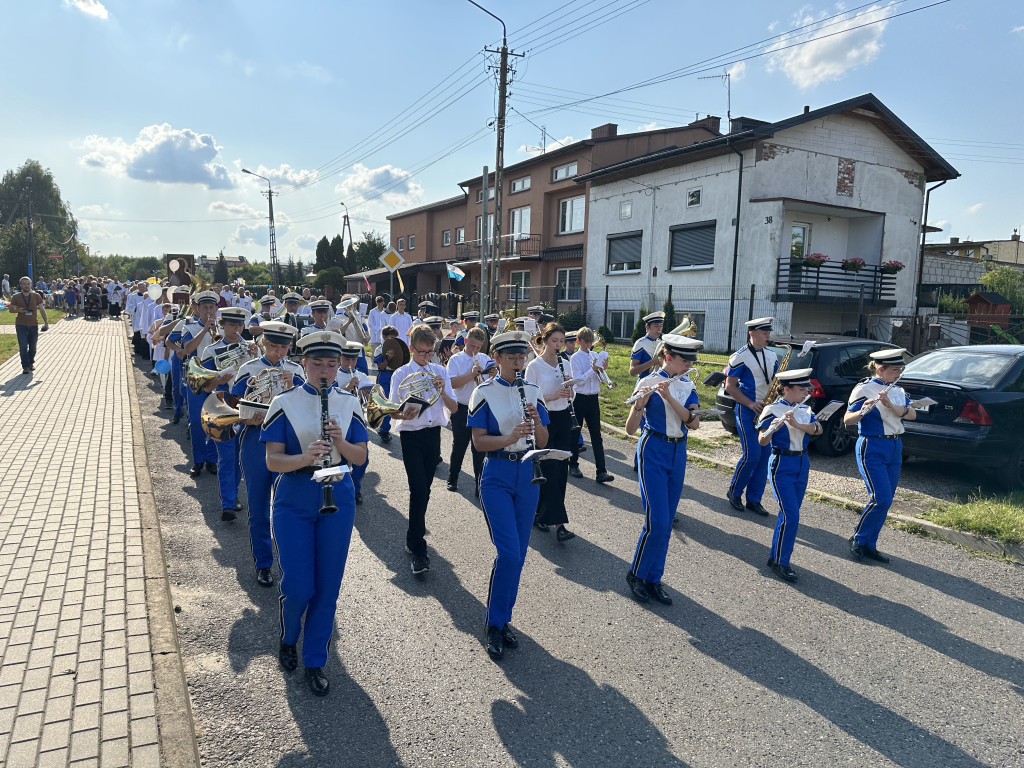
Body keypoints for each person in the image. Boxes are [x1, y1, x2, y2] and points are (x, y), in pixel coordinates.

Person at [261, 330, 368, 697]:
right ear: (303, 363)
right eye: (317, 363)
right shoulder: (284, 401)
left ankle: (314, 659)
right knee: (300, 585)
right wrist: (305, 457)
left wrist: (339, 442)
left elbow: (360, 457)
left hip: (337, 491)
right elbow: (272, 459)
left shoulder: (349, 402)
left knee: (327, 587)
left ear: (340, 365)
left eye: (332, 364)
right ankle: (289, 636)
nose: (325, 370)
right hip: (295, 494)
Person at [469, 330, 550, 661]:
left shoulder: (532, 390)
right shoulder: (483, 392)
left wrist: (534, 421)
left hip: (528, 474)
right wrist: (509, 437)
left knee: (519, 554)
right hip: (497, 476)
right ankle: (493, 623)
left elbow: (544, 439)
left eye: (521, 358)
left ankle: (503, 620)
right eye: (511, 358)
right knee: (509, 554)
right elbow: (479, 442)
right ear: (498, 358)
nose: (518, 363)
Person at [623, 334, 703, 606]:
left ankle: (654, 579)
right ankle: (636, 574)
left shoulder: (687, 384)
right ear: (668, 357)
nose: (687, 365)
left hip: (678, 450)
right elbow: (630, 429)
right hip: (653, 449)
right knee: (656, 520)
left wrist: (669, 396)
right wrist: (639, 405)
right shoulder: (646, 382)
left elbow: (693, 423)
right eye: (683, 360)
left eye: (689, 361)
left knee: (666, 522)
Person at [231, 321, 304, 587]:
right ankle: (263, 563)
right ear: (263, 343)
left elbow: (309, 409)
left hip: (287, 443)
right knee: (258, 507)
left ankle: (289, 562)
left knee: (288, 506)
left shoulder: (296, 371)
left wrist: (294, 385)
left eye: (283, 347)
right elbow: (234, 407)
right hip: (255, 440)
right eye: (273, 346)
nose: (278, 352)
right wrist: (249, 417)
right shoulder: (248, 369)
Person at [388, 325, 458, 575]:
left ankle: (412, 537)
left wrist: (441, 390)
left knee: (424, 490)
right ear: (411, 348)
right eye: (421, 352)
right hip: (410, 435)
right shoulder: (401, 374)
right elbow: (392, 409)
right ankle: (419, 550)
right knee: (417, 488)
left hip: (433, 436)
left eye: (430, 353)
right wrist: (401, 412)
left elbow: (454, 408)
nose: (426, 357)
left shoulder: (440, 371)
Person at [844, 348, 915, 564]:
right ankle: (858, 537)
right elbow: (848, 420)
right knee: (880, 497)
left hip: (895, 446)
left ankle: (869, 544)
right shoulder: (864, 388)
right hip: (872, 445)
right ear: (880, 369)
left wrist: (891, 406)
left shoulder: (898, 390)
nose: (899, 373)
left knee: (887, 500)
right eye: (895, 370)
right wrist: (864, 410)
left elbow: (912, 415)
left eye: (900, 369)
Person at [757, 369, 820, 583]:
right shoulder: (772, 409)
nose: (805, 393)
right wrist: (774, 427)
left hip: (802, 463)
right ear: (787, 389)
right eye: (801, 389)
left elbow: (817, 429)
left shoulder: (805, 408)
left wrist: (797, 424)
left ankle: (775, 556)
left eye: (806, 389)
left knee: (789, 515)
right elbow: (762, 441)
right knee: (791, 516)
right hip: (782, 464)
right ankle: (781, 563)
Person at [200, 307, 255, 519]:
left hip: (243, 406)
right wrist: (216, 380)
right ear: (222, 326)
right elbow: (204, 387)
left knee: (238, 456)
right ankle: (228, 503)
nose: (236, 329)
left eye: (240, 325)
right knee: (226, 456)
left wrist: (256, 357)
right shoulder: (211, 351)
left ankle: (232, 494)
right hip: (221, 405)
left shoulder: (250, 348)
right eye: (232, 325)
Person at [525, 322, 577, 543]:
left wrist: (570, 390)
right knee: (550, 468)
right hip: (543, 421)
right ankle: (560, 525)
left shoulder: (565, 363)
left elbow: (571, 396)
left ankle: (541, 514)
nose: (558, 345)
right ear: (544, 341)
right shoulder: (534, 367)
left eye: (561, 341)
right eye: (554, 341)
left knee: (561, 469)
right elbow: (528, 402)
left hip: (564, 418)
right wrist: (553, 396)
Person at [725, 318, 779, 516]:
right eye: (764, 333)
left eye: (768, 333)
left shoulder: (772, 355)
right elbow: (730, 387)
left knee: (765, 457)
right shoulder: (738, 357)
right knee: (752, 455)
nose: (768, 336)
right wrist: (749, 403)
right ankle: (734, 492)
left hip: (766, 410)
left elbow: (775, 381)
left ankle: (754, 499)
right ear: (753, 333)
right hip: (747, 409)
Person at [180, 291, 224, 477]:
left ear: (216, 308)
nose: (208, 310)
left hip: (217, 378)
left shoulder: (223, 327)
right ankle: (198, 461)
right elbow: (187, 349)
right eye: (204, 307)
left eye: (211, 307)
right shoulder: (188, 326)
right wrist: (205, 329)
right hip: (197, 378)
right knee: (198, 423)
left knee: (215, 420)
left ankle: (212, 459)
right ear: (197, 309)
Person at [446, 326, 493, 494]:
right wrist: (472, 374)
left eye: (478, 347)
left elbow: (490, 383)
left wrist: (491, 375)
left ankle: (479, 484)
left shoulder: (485, 359)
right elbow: (451, 384)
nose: (474, 350)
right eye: (472, 346)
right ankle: (452, 478)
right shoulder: (456, 359)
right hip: (461, 407)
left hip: (480, 408)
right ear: (465, 341)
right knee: (459, 445)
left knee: (478, 448)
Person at [569, 328, 614, 484]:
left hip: (593, 399)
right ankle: (573, 465)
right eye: (585, 342)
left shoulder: (594, 355)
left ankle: (601, 471)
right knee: (575, 433)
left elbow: (601, 380)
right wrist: (592, 369)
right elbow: (578, 380)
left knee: (597, 436)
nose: (589, 345)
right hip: (579, 398)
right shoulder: (575, 358)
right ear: (578, 341)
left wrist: (603, 371)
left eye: (590, 342)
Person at [335, 340, 373, 504]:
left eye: (353, 359)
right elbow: (332, 397)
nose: (350, 363)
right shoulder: (334, 374)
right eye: (346, 359)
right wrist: (349, 387)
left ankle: (355, 486)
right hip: (340, 420)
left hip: (357, 420)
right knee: (339, 458)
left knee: (363, 459)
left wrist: (368, 394)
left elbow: (368, 400)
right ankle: (340, 488)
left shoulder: (362, 375)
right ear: (340, 358)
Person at [7, 277, 49, 374]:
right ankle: (25, 366)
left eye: (28, 284)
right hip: (21, 325)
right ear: (21, 285)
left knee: (33, 347)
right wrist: (18, 310)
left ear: (31, 284)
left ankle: (31, 362)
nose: (26, 285)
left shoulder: (36, 296)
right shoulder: (16, 296)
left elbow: (42, 309)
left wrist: (46, 323)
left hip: (33, 324)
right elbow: (11, 309)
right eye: (24, 284)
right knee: (23, 346)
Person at [371, 325, 402, 443]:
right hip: (384, 376)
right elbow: (382, 367)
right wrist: (388, 358)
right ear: (384, 337)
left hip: (395, 375)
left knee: (395, 402)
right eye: (390, 337)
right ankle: (384, 430)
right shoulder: (380, 349)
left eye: (395, 337)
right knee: (385, 403)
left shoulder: (397, 347)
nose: (393, 340)